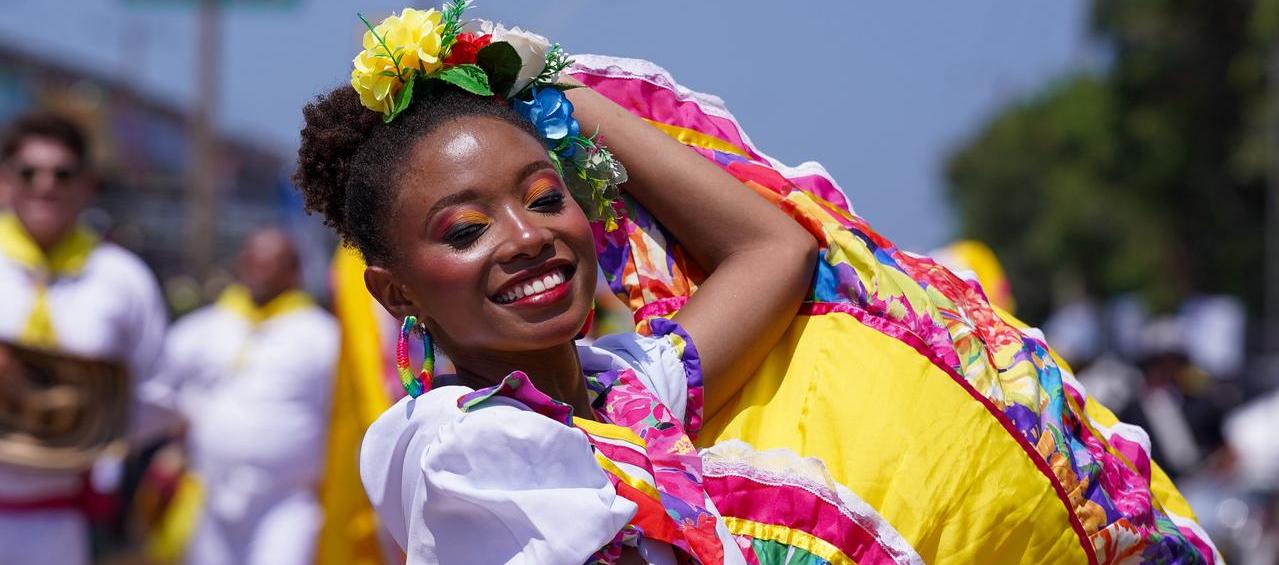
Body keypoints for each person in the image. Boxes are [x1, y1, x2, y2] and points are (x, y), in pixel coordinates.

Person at [295, 5, 1220, 563]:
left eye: (545, 196)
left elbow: (773, 252)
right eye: (464, 229)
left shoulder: (623, 393)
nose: (526, 237)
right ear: (396, 293)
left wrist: (560, 95)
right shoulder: (451, 446)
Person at [0, 112, 168, 564]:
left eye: (62, 173)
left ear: (86, 185)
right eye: (28, 172)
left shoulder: (123, 277)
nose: (45, 185)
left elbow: (157, 389)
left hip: (66, 517)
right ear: (4, 180)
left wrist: (93, 433)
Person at [146, 227, 339, 565]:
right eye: (253, 261)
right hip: (210, 496)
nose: (259, 270)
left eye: (271, 263)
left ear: (294, 271)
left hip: (286, 502)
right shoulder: (204, 327)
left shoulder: (323, 336)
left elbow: (342, 414)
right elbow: (158, 390)